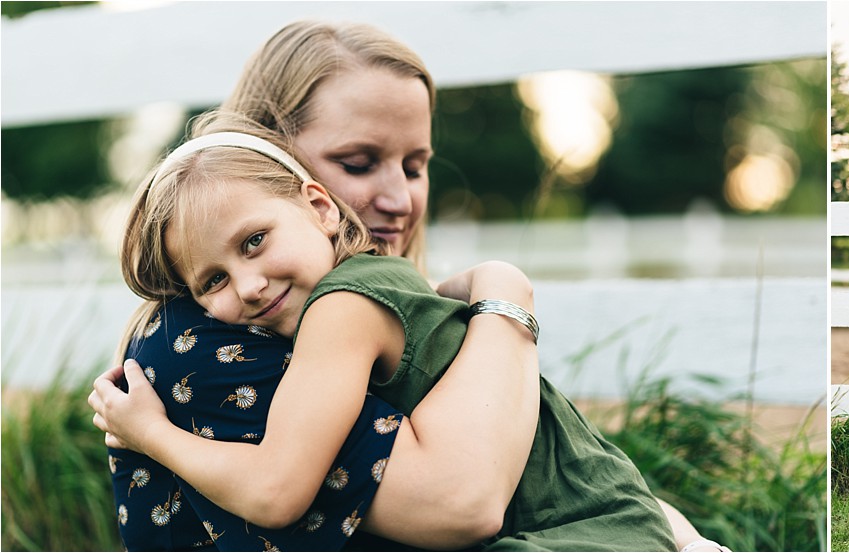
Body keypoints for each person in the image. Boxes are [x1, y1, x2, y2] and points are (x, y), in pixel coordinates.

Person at [90, 19, 719, 551]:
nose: (398, 199)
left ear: (318, 207)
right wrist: (503, 297)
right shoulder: (203, 345)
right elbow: (462, 498)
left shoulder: (354, 302)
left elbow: (551, 474)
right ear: (267, 159)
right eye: (359, 162)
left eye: (415, 166)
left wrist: (502, 294)